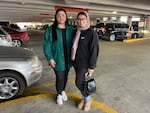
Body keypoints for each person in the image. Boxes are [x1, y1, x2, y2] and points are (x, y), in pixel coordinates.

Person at [43, 8, 74, 105]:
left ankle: (63, 90)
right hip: (57, 59)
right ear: (56, 17)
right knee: (60, 77)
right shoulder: (50, 30)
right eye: (59, 15)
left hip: (68, 59)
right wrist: (50, 58)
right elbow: (47, 45)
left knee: (65, 76)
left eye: (63, 15)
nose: (61, 17)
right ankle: (59, 94)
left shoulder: (71, 30)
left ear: (66, 17)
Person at [71, 11, 99, 111]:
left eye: (83, 19)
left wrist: (92, 67)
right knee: (82, 83)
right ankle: (84, 98)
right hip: (76, 62)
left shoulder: (91, 33)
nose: (81, 21)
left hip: (85, 64)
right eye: (79, 19)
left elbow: (94, 50)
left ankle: (88, 99)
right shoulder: (77, 31)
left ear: (87, 20)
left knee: (78, 82)